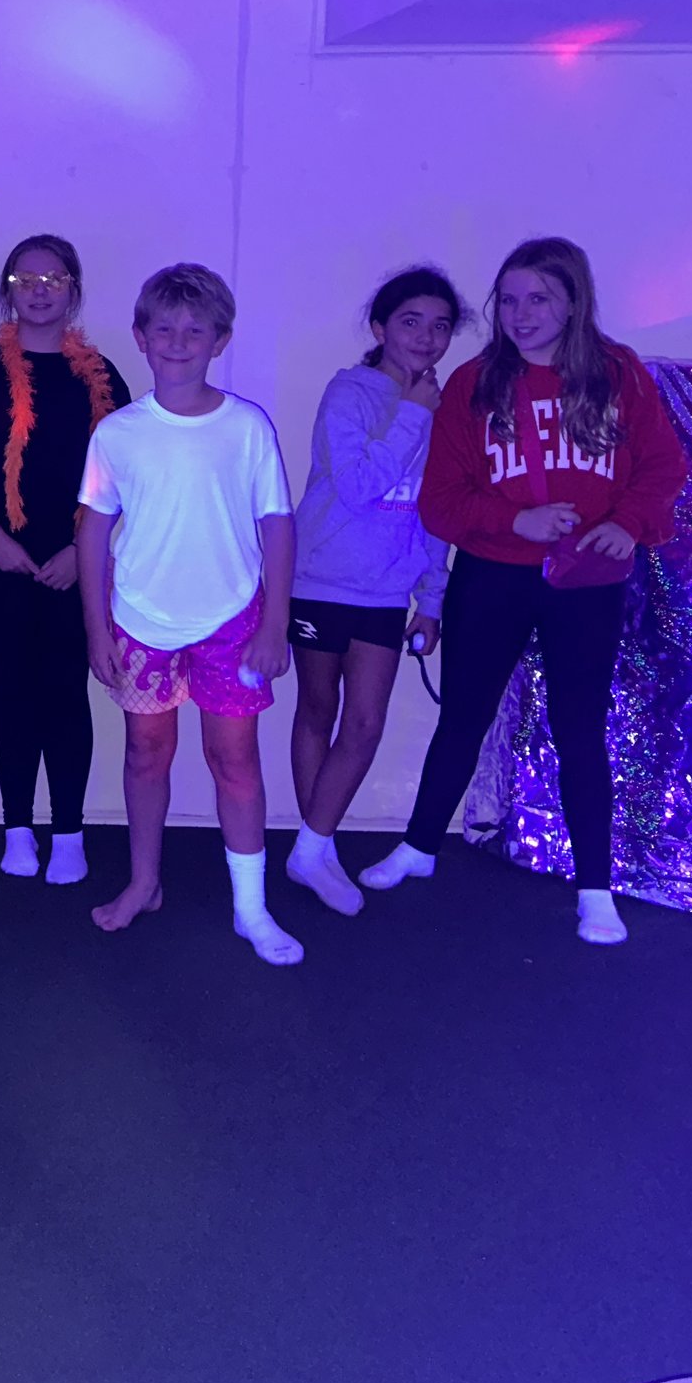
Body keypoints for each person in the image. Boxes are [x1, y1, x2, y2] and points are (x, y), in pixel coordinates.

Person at [359, 236, 688, 945]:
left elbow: (663, 467)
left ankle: (594, 887)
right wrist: (517, 519)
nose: (520, 313)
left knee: (579, 730)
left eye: (538, 297)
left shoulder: (619, 373)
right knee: (464, 717)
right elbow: (440, 501)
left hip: (585, 580)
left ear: (574, 299)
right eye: (507, 299)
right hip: (492, 571)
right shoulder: (476, 382)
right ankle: (418, 846)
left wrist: (627, 524)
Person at [79, 263, 303, 964]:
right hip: (141, 620)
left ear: (220, 339)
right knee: (147, 752)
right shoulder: (118, 433)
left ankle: (250, 906)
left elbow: (277, 524)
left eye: (195, 330)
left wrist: (274, 624)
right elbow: (91, 531)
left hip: (232, 620)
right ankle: (144, 880)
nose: (179, 341)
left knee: (233, 759)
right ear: (141, 338)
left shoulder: (246, 427)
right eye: (164, 328)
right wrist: (95, 628)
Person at [0, 234, 129, 884]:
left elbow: (125, 478)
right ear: (9, 289)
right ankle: (17, 826)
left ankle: (70, 831)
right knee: (13, 689)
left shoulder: (101, 377)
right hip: (1, 556)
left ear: (74, 288)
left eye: (55, 277)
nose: (41, 288)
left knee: (66, 689)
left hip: (81, 558)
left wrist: (84, 556)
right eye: (27, 278)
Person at [283, 267, 465, 918]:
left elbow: (434, 512)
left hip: (387, 592)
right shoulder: (349, 393)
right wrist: (415, 413)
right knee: (316, 709)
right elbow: (358, 484)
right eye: (411, 321)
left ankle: (309, 845)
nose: (427, 336)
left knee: (364, 723)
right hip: (321, 580)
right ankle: (318, 846)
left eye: (441, 324)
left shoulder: (442, 410)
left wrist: (433, 598)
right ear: (381, 327)